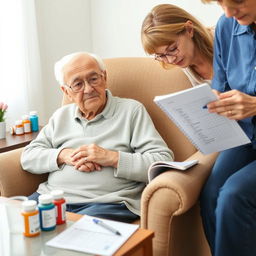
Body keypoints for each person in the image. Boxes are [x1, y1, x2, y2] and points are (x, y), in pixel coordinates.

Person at [21, 52, 173, 223]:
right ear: (66, 91)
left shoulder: (131, 111)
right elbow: (29, 156)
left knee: (76, 239)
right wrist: (64, 155)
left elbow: (162, 161)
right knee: (16, 228)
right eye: (78, 84)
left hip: (107, 203)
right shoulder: (61, 116)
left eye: (94, 79)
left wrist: (111, 157)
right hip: (52, 199)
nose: (88, 89)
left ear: (105, 77)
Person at [199, 0, 256, 255]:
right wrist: (213, 101)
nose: (229, 12)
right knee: (210, 192)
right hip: (245, 136)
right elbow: (220, 87)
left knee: (234, 196)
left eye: (237, 1)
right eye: (222, 4)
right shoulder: (226, 26)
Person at [141, 3, 214, 87]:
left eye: (172, 49)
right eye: (161, 56)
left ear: (189, 29)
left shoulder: (226, 38)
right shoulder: (187, 66)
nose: (170, 60)